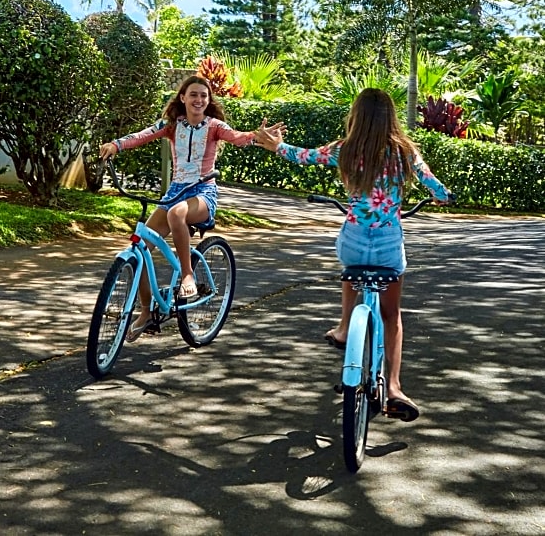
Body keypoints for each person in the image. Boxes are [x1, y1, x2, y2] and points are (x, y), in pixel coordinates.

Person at [255, 87, 452, 422]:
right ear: (390, 117)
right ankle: (393, 386)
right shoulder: (405, 151)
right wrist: (442, 196)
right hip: (389, 244)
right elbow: (436, 187)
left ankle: (346, 327)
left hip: (353, 240)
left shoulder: (345, 148)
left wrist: (276, 145)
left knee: (352, 273)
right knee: (392, 315)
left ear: (357, 116)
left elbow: (304, 156)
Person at [100, 75, 284, 342]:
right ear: (182, 98)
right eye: (194, 95)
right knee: (139, 248)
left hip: (202, 192)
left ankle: (187, 275)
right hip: (175, 191)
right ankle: (145, 312)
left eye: (204, 96)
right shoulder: (172, 125)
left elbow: (238, 137)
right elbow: (143, 135)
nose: (199, 100)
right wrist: (115, 145)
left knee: (177, 213)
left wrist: (258, 136)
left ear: (208, 101)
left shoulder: (214, 126)